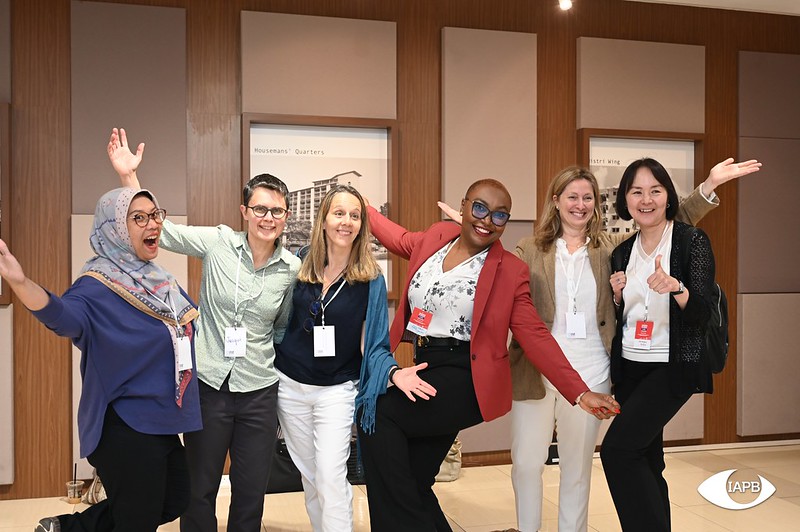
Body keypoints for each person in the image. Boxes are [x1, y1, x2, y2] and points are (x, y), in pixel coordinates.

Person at [497, 159, 759, 532]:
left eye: (588, 197)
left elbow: (666, 219)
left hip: (592, 373)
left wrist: (708, 187)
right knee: (525, 462)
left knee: (577, 466)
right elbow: (498, 274)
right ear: (556, 200)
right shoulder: (530, 248)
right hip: (537, 371)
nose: (580, 204)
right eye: (572, 196)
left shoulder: (611, 248)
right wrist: (465, 233)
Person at [357, 178, 620, 532]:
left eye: (500, 215)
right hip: (426, 366)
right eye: (480, 208)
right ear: (464, 206)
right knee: (414, 479)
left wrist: (579, 391)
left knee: (379, 411)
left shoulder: (509, 270)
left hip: (467, 376)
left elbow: (535, 336)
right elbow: (399, 238)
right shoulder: (437, 237)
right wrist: (364, 209)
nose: (487, 220)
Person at [108, 128, 300, 532]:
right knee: (199, 488)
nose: (268, 218)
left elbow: (281, 327)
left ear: (286, 217)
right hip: (210, 385)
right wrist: (130, 180)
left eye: (277, 211)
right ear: (245, 211)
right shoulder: (218, 242)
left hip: (259, 391)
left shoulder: (292, 270)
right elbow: (163, 230)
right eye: (260, 209)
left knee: (251, 491)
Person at [0, 188, 201, 532]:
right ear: (115, 230)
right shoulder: (95, 286)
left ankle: (66, 528)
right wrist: (20, 283)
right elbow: (64, 317)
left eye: (154, 215)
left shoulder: (160, 282)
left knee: (174, 498)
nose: (152, 223)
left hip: (161, 418)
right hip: (123, 421)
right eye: (138, 218)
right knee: (138, 517)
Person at [274, 184, 434, 532]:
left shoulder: (370, 279)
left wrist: (394, 373)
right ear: (324, 219)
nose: (346, 222)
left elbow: (374, 345)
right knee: (311, 477)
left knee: (331, 476)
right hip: (289, 386)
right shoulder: (298, 263)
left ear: (362, 224)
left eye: (355, 215)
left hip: (336, 390)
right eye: (339, 213)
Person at [601, 158, 720, 531]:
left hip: (672, 367)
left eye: (655, 190)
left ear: (668, 196)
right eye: (636, 191)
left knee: (618, 451)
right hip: (631, 366)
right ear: (625, 199)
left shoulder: (689, 240)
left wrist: (678, 288)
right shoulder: (622, 252)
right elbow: (626, 318)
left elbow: (702, 313)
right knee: (648, 460)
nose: (646, 199)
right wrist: (618, 298)